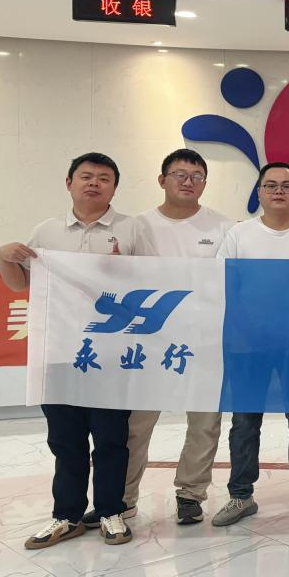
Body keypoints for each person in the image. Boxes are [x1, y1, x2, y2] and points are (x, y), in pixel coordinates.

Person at [0, 153, 140, 550]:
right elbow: (18, 284)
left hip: (111, 355)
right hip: (60, 352)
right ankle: (67, 515)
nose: (94, 183)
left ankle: (111, 511)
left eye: (104, 178)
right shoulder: (47, 231)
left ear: (115, 187)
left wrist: (126, 271)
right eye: (86, 176)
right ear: (69, 183)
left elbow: (154, 280)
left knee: (111, 438)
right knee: (65, 439)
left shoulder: (131, 229)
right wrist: (4, 256)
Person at [212, 163, 289, 527]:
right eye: (271, 185)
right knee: (244, 422)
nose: (279, 191)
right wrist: (243, 328)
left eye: (287, 185)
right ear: (260, 192)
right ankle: (240, 495)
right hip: (247, 344)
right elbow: (223, 286)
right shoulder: (239, 235)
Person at [124, 149, 232, 526]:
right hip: (149, 340)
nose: (188, 182)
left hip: (204, 339)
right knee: (136, 424)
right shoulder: (137, 226)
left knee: (204, 421)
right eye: (179, 175)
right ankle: (123, 497)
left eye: (196, 176)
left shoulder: (223, 227)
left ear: (205, 183)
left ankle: (191, 493)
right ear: (162, 179)